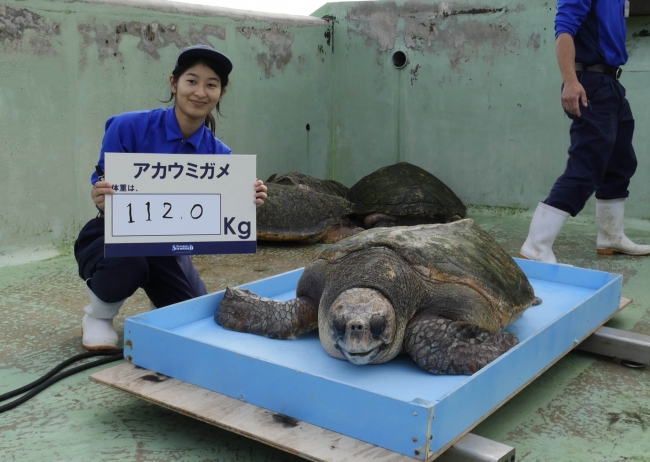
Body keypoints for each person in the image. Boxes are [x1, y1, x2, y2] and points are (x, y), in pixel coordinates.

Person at [75, 45, 268, 350]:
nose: (200, 92)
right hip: (113, 233)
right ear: (173, 83)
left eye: (211, 84)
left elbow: (225, 212)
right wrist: (100, 194)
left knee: (193, 314)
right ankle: (98, 316)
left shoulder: (221, 155)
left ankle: (163, 300)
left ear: (221, 92)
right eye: (191, 80)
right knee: (129, 263)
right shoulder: (128, 127)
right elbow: (103, 180)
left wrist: (248, 198)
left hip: (169, 245)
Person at [519, 0, 650, 263]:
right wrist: (570, 81)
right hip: (589, 84)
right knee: (587, 164)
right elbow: (564, 29)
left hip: (611, 85)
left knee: (620, 160)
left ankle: (610, 236)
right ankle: (536, 245)